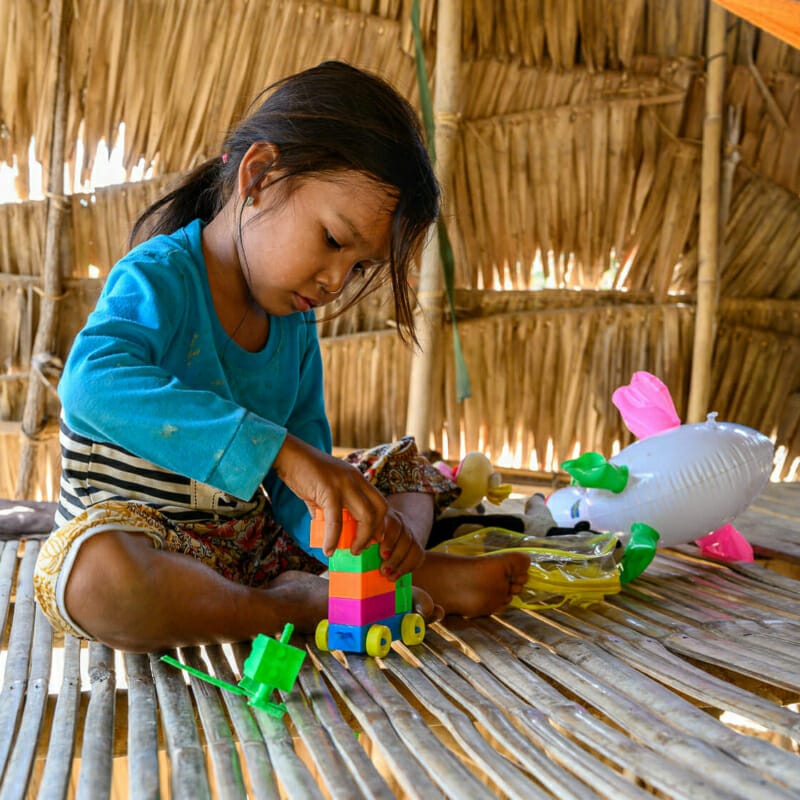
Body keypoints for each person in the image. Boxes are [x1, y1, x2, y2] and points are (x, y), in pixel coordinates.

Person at [33, 61, 529, 653]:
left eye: (358, 267)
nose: (335, 280)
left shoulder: (294, 326)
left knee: (397, 471)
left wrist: (355, 532)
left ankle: (380, 575)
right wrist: (277, 452)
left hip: (249, 550)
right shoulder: (160, 277)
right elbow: (89, 384)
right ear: (261, 175)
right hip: (146, 543)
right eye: (333, 241)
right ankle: (288, 608)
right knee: (100, 582)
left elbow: (304, 487)